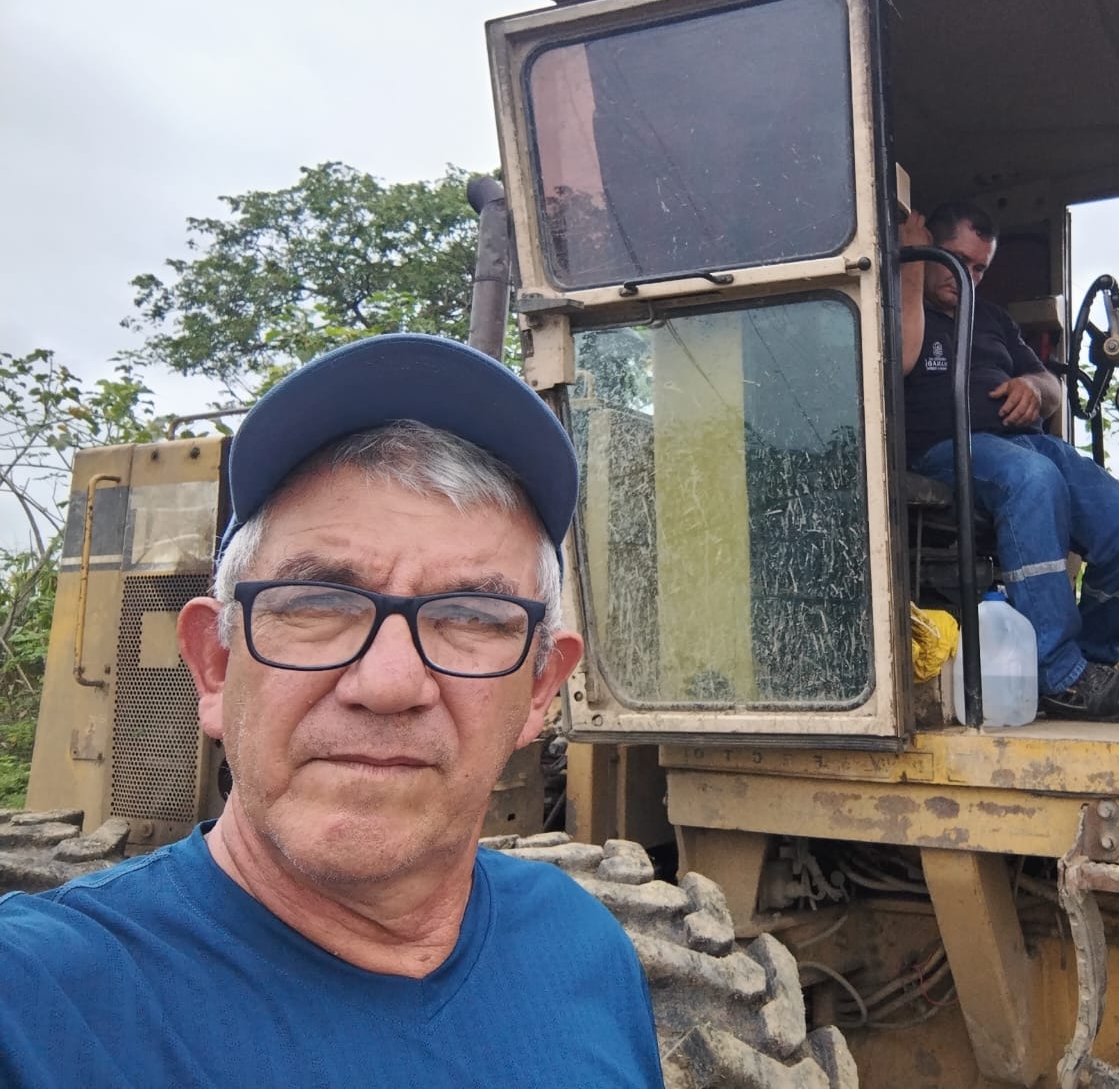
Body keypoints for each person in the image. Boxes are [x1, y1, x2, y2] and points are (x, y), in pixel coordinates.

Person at [0, 334, 664, 1088]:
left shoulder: (582, 949)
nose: (388, 683)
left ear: (540, 688)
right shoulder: (38, 1003)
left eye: (472, 616)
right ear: (214, 665)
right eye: (317, 602)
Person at [900, 202, 1119, 720]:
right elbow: (903, 357)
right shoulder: (895, 304)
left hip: (1025, 444)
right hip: (941, 449)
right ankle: (1056, 671)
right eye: (955, 260)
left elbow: (1051, 385)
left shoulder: (992, 317)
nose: (967, 276)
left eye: (979, 268)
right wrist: (908, 267)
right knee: (1032, 479)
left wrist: (1033, 389)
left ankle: (1089, 666)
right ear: (928, 247)